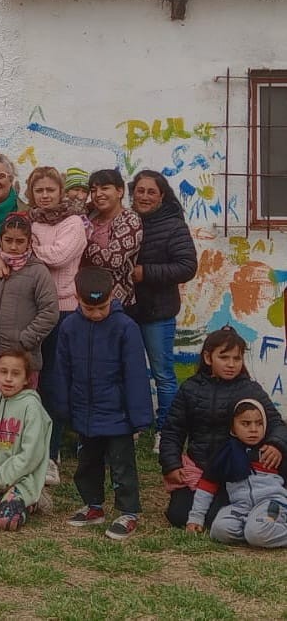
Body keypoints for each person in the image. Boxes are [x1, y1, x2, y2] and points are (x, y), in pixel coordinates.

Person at [0, 167, 87, 482]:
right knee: (29, 379)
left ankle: (51, 454)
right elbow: (1, 244)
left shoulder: (73, 222)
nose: (44, 195)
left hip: (62, 311)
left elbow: (58, 257)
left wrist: (19, 253)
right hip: (29, 311)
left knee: (55, 383)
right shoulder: (27, 220)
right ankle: (20, 449)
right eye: (39, 190)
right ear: (31, 193)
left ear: (60, 192)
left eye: (50, 189)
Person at [55, 268, 153, 541]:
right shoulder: (69, 327)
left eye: (102, 307)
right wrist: (64, 407)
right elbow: (62, 370)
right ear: (76, 298)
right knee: (88, 462)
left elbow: (135, 374)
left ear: (113, 296)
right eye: (89, 308)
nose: (97, 313)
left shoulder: (126, 328)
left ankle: (128, 511)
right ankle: (93, 505)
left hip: (118, 414)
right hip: (84, 411)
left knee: (122, 465)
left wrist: (140, 418)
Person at [159, 326, 287, 528]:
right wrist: (172, 465)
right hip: (201, 468)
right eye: (224, 357)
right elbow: (173, 430)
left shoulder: (250, 389)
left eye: (237, 359)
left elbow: (277, 424)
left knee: (215, 518)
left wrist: (276, 444)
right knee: (178, 515)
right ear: (208, 358)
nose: (231, 364)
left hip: (235, 471)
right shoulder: (190, 388)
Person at [129, 169, 199, 442]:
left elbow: (187, 267)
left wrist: (145, 273)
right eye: (140, 190)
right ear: (132, 192)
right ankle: (133, 426)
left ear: (161, 196)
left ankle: (166, 432)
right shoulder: (125, 220)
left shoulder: (173, 225)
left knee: (163, 373)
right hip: (128, 311)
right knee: (128, 371)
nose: (144, 196)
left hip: (158, 312)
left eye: (151, 192)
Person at [0, 215, 58, 394]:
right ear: (0, 240)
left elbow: (49, 311)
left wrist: (25, 339)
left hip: (23, 359)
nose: (14, 246)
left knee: (22, 410)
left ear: (29, 242)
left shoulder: (38, 272)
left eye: (20, 241)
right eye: (8, 240)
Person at [186, 399, 287, 547]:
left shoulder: (271, 451)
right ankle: (256, 532)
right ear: (233, 428)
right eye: (245, 424)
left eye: (259, 423)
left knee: (257, 532)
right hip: (240, 506)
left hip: (271, 503)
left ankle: (259, 532)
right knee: (219, 530)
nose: (253, 429)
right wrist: (196, 517)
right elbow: (207, 485)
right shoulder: (225, 453)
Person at [0, 350, 51, 532]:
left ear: (26, 379)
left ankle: (35, 499)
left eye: (15, 374)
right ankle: (8, 498)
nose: (8, 379)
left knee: (7, 521)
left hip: (22, 478)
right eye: (3, 372)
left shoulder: (32, 406)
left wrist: (0, 480)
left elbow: (30, 455)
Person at [84, 168, 143, 307]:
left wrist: (80, 242)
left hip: (115, 302)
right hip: (85, 297)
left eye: (105, 188)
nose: (98, 194)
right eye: (93, 190)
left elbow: (114, 260)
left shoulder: (129, 220)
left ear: (120, 191)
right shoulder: (89, 215)